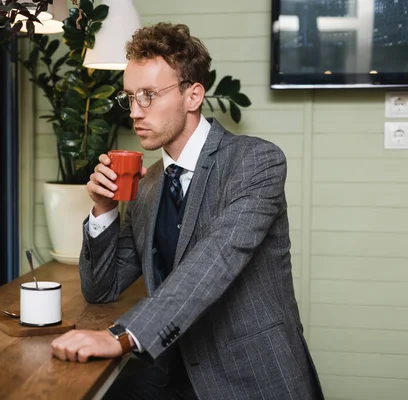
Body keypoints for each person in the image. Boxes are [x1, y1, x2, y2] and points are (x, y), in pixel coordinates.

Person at [50, 22, 324, 400]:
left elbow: (215, 260)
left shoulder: (256, 162)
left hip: (250, 376)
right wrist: (103, 209)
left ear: (193, 95)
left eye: (148, 95)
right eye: (129, 97)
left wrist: (122, 336)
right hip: (168, 373)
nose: (134, 111)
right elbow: (102, 289)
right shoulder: (146, 188)